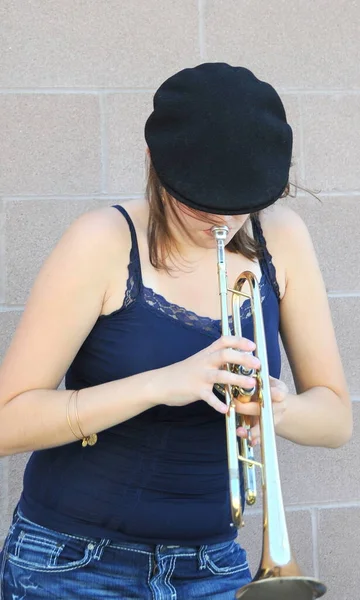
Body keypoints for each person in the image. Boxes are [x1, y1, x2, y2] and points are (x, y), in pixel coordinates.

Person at [0, 63, 352, 600]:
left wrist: (277, 407)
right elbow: (7, 423)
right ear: (154, 165)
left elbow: (336, 420)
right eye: (199, 203)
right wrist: (160, 384)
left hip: (215, 566)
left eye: (239, 207)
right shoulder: (101, 241)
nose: (220, 224)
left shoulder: (284, 238)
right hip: (73, 565)